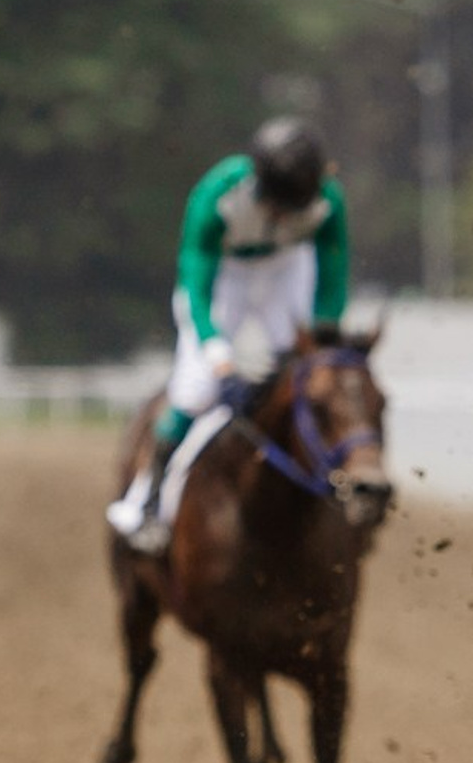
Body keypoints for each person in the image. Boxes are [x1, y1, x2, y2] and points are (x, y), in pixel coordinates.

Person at [105, 118, 352, 554]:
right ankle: (144, 501)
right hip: (225, 276)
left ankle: (337, 489)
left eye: (295, 207)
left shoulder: (328, 199)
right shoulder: (216, 196)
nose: (284, 216)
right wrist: (220, 358)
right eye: (278, 205)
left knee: (310, 381)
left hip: (285, 268)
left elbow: (332, 272)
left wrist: (324, 326)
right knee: (196, 390)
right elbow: (196, 287)